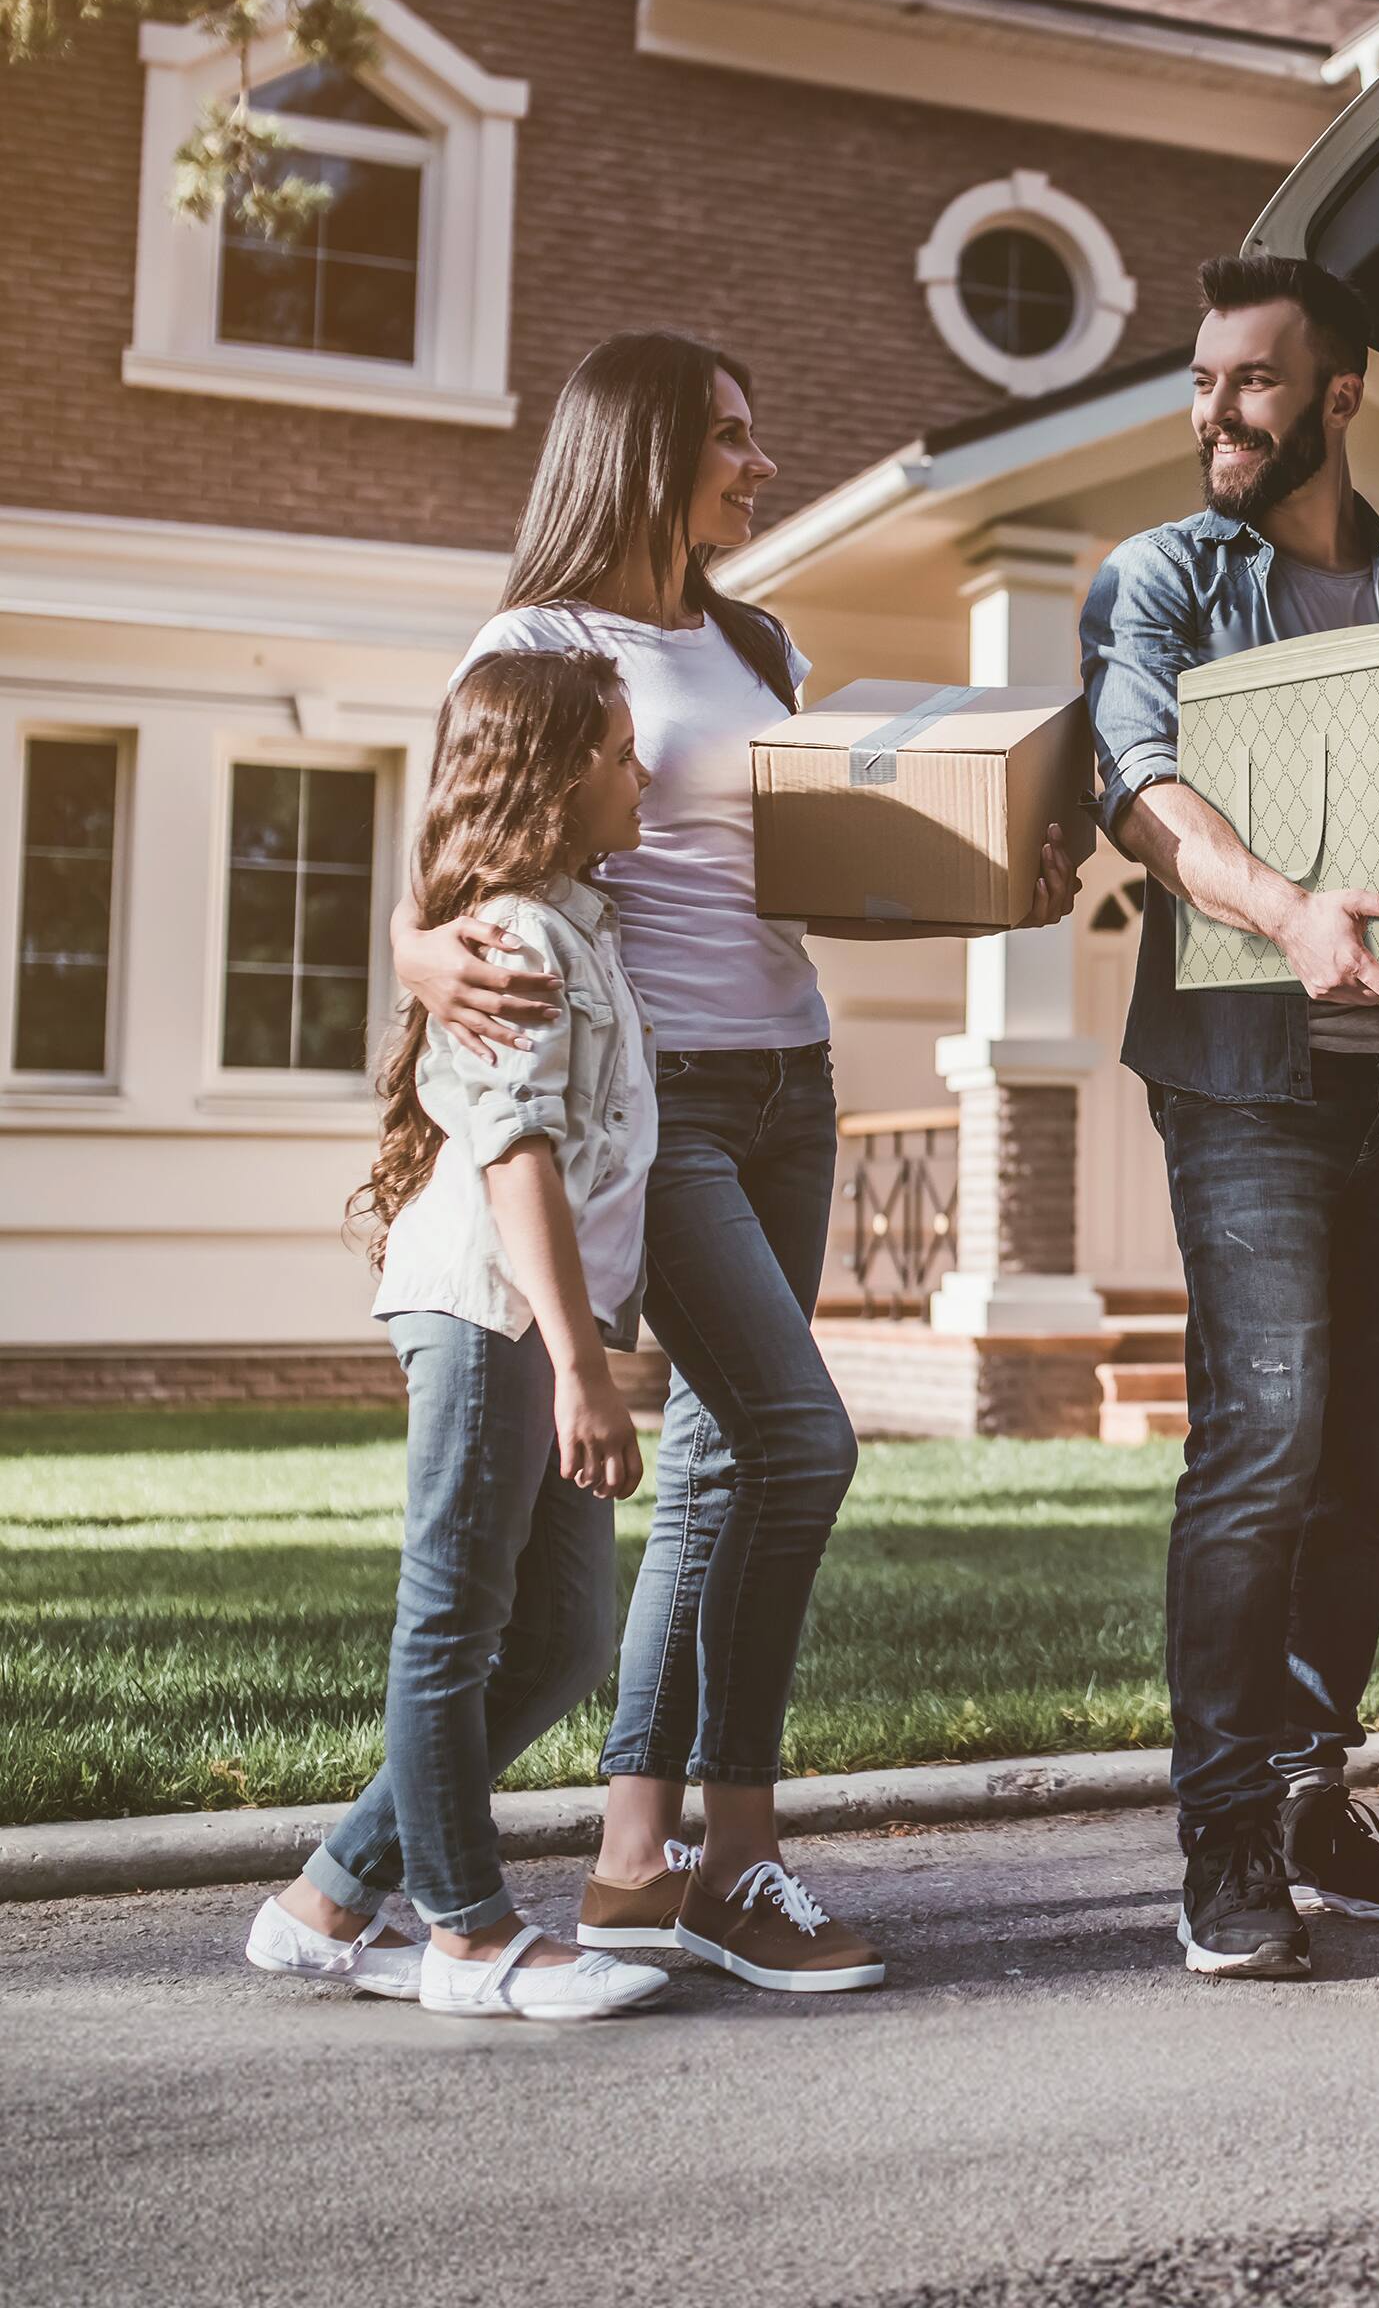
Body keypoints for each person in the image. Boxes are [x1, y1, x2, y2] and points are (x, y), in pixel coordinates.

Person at [395, 331, 1081, 1996]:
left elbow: (793, 875)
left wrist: (998, 883)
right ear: (641, 449)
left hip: (792, 1079)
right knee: (801, 1443)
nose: (758, 466)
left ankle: (641, 1862)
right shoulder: (539, 640)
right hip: (666, 1101)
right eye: (729, 437)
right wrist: (419, 962)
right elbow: (459, 858)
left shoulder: (755, 638)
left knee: (719, 1470)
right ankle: (739, 1854)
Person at [1080, 252, 1379, 1979]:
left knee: (1369, 1468)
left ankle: (1316, 1788)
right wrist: (1288, 909)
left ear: (1339, 397)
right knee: (1264, 1446)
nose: (1214, 414)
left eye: (1252, 382)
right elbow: (1138, 786)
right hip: (1250, 1091)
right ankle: (1225, 1831)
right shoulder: (1161, 580)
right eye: (1201, 381)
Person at [247, 650, 671, 2021]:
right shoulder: (514, 941)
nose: (642, 772)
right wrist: (580, 1363)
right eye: (619, 751)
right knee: (455, 1624)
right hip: (491, 1309)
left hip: (538, 1318)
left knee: (558, 1642)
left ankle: (325, 1902)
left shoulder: (579, 920)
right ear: (556, 777)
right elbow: (514, 1161)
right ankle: (469, 1933)